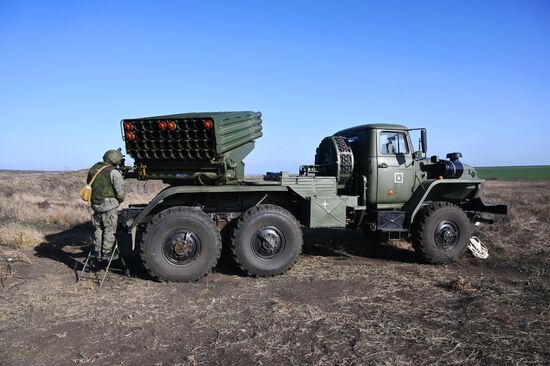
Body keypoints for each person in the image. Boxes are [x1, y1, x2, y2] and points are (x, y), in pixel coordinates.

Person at [87, 149, 125, 261]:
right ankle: (106, 253)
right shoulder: (114, 172)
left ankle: (97, 251)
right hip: (109, 206)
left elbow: (89, 184)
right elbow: (120, 193)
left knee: (98, 229)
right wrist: (119, 200)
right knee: (109, 229)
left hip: (96, 204)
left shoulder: (93, 169)